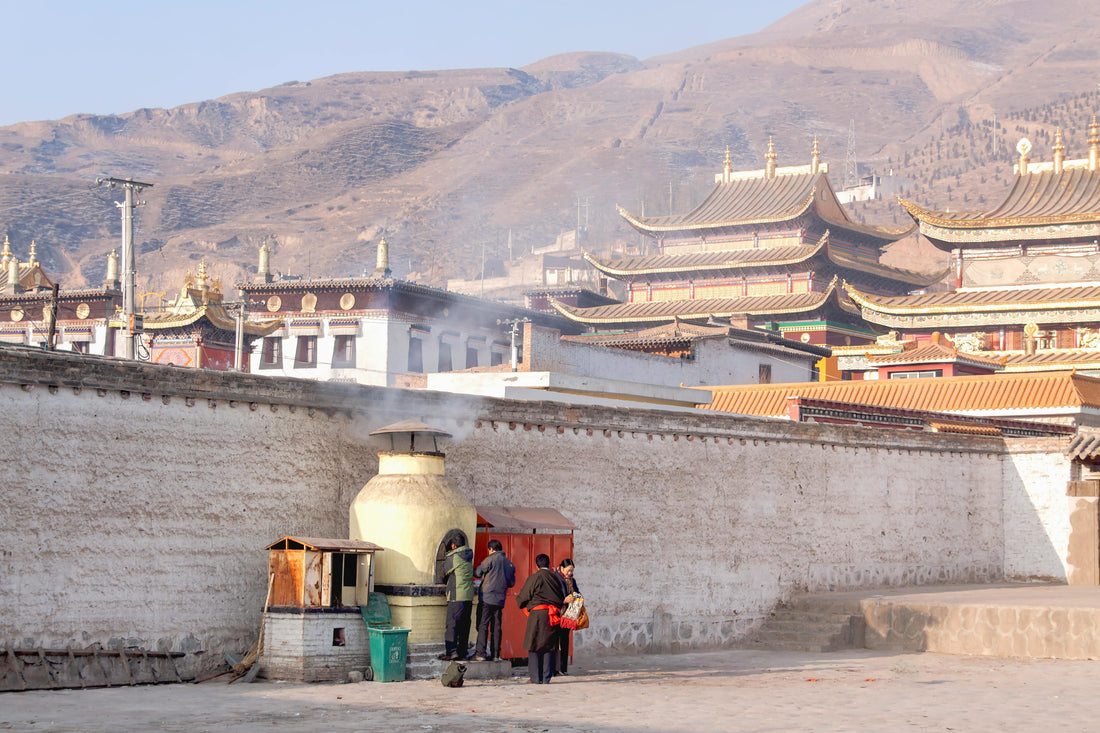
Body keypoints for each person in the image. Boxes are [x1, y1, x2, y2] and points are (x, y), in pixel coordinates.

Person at [515, 552, 565, 684]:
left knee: (534, 645)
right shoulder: (556, 579)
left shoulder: (535, 577)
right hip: (551, 615)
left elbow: (524, 596)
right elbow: (561, 597)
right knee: (549, 646)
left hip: (537, 615)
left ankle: (535, 678)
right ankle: (546, 677)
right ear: (548, 564)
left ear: (537, 565)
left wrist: (520, 601)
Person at [472, 539, 516, 661]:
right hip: (500, 600)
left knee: (483, 624)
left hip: (486, 597)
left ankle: (481, 653)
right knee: (496, 626)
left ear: (491, 549)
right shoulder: (509, 564)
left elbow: (478, 572)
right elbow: (512, 583)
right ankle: (496, 654)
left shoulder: (490, 559)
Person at [438, 534, 474, 661]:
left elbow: (442, 573)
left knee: (452, 624)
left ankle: (452, 652)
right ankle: (462, 651)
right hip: (468, 596)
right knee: (464, 625)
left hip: (456, 595)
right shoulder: (469, 555)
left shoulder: (454, 557)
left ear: (453, 546)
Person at [554, 558, 580, 675]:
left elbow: (577, 592)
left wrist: (576, 597)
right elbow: (552, 595)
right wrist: (563, 599)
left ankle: (563, 668)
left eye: (572, 570)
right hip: (557, 613)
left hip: (568, 615)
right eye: (568, 570)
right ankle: (555, 668)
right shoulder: (555, 579)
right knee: (555, 641)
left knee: (564, 641)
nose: (570, 573)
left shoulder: (572, 581)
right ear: (562, 568)